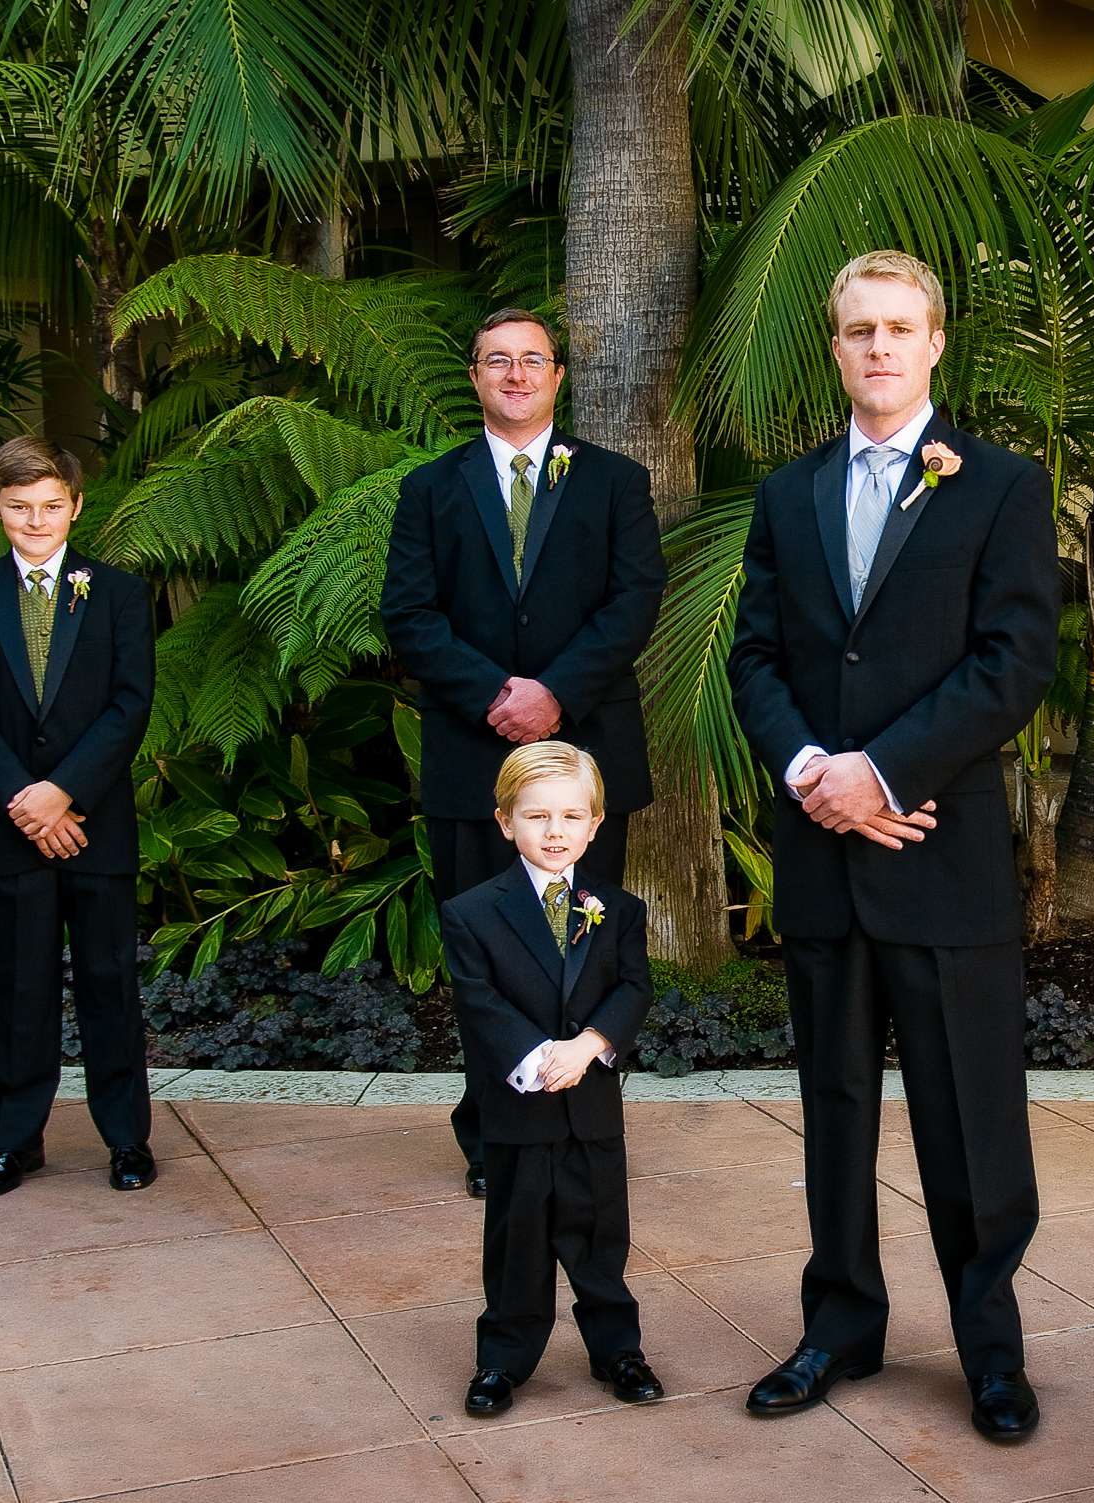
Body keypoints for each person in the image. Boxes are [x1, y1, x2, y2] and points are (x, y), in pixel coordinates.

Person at [727, 250, 1058, 1441]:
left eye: (898, 327)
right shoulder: (789, 493)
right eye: (857, 328)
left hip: (939, 849)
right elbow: (753, 657)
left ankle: (990, 1352)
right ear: (833, 348)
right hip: (824, 851)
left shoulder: (1001, 486)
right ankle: (838, 1326)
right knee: (832, 1107)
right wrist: (816, 773)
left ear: (934, 345)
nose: (877, 346)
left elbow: (1013, 661)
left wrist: (886, 771)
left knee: (972, 1118)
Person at [382, 308, 666, 1198]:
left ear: (557, 375)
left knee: (586, 947)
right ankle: (493, 1128)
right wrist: (495, 696)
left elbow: (634, 600)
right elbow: (410, 613)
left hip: (586, 755)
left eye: (531, 360)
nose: (514, 373)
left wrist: (555, 694)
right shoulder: (430, 489)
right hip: (475, 763)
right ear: (473, 375)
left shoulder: (616, 481)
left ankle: (583, 1117)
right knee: (490, 954)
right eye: (495, 359)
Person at [0, 436, 157, 1198]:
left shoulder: (121, 593)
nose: (37, 519)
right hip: (12, 826)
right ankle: (14, 1141)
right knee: (22, 986)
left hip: (95, 823)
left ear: (75, 505)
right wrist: (26, 801)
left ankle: (126, 1138)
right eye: (20, 506)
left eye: (51, 505)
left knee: (106, 981)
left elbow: (130, 705)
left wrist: (64, 792)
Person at [440, 740, 661, 1417]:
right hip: (521, 1107)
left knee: (600, 1233)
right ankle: (502, 1358)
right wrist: (541, 1057)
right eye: (537, 816)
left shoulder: (616, 907)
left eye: (572, 816)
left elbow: (632, 984)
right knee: (518, 1236)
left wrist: (591, 1043)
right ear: (505, 821)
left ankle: (617, 1349)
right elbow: (479, 998)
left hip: (590, 1104)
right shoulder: (472, 910)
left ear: (596, 823)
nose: (555, 831)